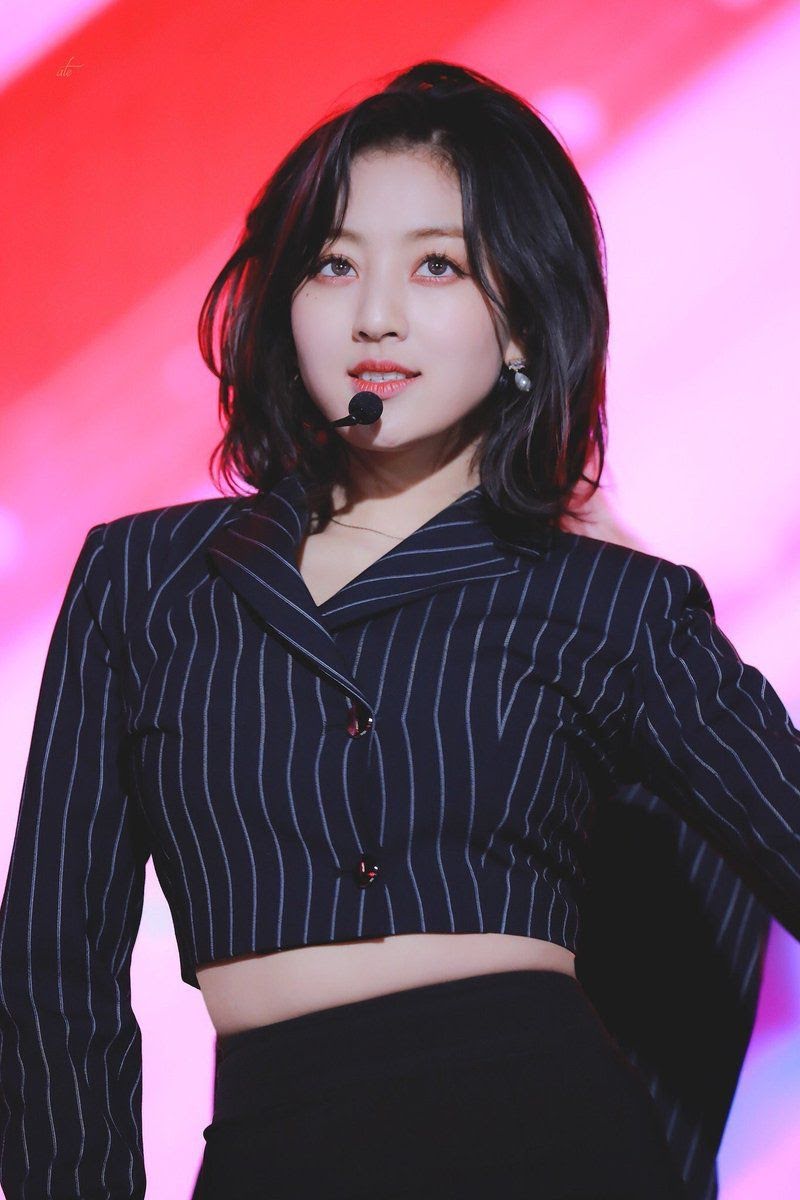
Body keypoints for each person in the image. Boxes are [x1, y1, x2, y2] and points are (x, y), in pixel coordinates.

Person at [0, 58, 796, 1200]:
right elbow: (52, 968)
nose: (375, 313)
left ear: (521, 325)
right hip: (275, 1152)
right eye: (334, 263)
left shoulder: (609, 601)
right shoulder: (145, 580)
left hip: (558, 1146)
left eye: (436, 265)